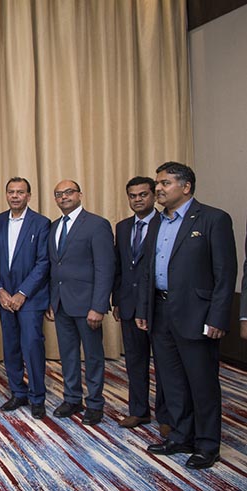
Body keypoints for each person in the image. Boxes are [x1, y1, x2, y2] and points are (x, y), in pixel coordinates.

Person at [137, 162, 236, 469]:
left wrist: (219, 317)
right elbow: (146, 270)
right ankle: (181, 435)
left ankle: (207, 445)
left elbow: (225, 272)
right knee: (172, 381)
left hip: (197, 314)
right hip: (160, 311)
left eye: (165, 183)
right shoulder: (156, 222)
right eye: (158, 183)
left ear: (186, 186)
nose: (159, 189)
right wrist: (144, 309)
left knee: (202, 382)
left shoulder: (213, 219)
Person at [45, 180, 115, 426]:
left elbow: (105, 268)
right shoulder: (54, 227)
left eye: (68, 192)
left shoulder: (97, 225)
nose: (63, 197)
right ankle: (72, 398)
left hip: (88, 306)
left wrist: (98, 306)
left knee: (93, 356)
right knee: (68, 355)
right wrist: (52, 301)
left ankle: (95, 403)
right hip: (62, 304)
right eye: (58, 194)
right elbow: (55, 267)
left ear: (80, 195)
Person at [111, 176, 169, 432]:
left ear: (154, 196)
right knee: (135, 361)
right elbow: (119, 267)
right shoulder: (122, 227)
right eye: (133, 196)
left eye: (143, 195)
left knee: (165, 363)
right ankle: (138, 411)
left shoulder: (165, 224)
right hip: (128, 305)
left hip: (158, 306)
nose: (137, 199)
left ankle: (166, 416)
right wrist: (117, 300)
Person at [0, 177, 50, 419]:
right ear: (6, 195)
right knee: (11, 347)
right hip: (4, 298)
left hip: (31, 298)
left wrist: (22, 293)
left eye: (20, 192)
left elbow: (43, 263)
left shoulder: (41, 223)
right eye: (11, 192)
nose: (15, 196)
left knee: (32, 346)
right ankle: (18, 392)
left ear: (29, 195)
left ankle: (37, 397)